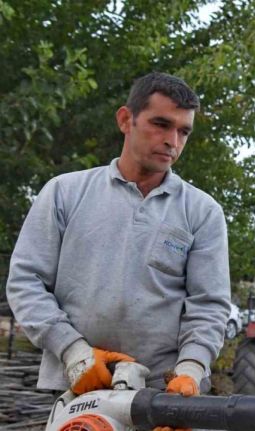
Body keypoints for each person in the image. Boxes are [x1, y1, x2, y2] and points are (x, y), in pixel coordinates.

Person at [6, 72, 231, 429]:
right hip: (78, 390)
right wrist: (73, 352)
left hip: (161, 398)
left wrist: (190, 370)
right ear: (126, 119)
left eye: (183, 131)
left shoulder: (202, 212)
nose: (172, 141)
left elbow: (209, 305)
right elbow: (25, 282)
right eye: (161, 124)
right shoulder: (65, 193)